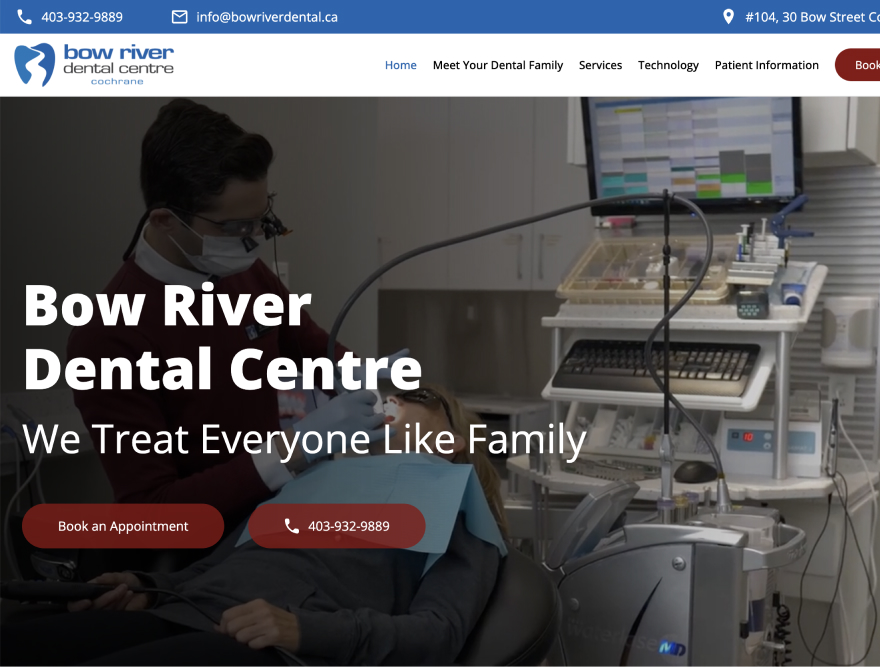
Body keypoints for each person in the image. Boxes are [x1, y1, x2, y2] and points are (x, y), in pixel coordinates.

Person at [67, 99, 405, 531]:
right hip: (203, 560)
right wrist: (290, 452)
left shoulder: (243, 272)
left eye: (261, 218)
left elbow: (306, 343)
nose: (254, 241)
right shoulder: (108, 337)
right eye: (236, 228)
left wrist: (351, 368)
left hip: (276, 521)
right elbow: (150, 512)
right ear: (166, 220)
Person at [1, 388, 507, 666]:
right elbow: (213, 571)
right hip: (187, 611)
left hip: (268, 645)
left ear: (454, 444)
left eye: (402, 405)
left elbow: (436, 636)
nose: (378, 415)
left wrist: (304, 629)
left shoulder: (458, 512)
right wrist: (146, 588)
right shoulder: (317, 482)